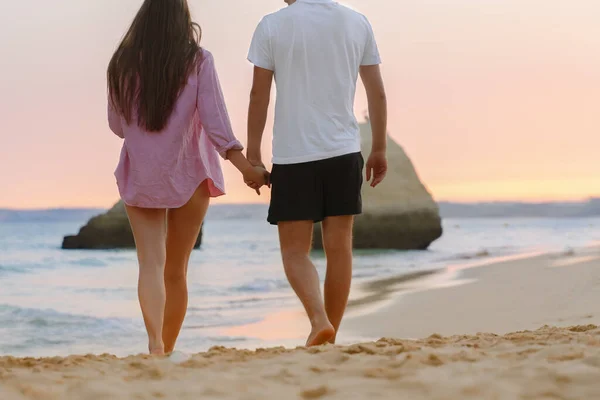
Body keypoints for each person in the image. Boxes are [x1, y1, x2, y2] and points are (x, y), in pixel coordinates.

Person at [107, 0, 268, 356]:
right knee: (176, 270)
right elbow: (216, 124)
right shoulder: (198, 60)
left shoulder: (121, 64)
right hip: (191, 171)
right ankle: (167, 349)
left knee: (150, 264)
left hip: (143, 174)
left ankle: (154, 344)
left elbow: (118, 127)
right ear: (183, 18)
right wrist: (246, 169)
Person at [246, 0, 389, 346]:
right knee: (339, 247)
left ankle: (318, 320)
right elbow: (376, 92)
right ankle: (330, 335)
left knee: (295, 252)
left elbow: (258, 95)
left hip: (295, 156)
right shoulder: (357, 22)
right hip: (343, 152)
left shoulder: (272, 25)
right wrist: (379, 147)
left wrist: (253, 154)